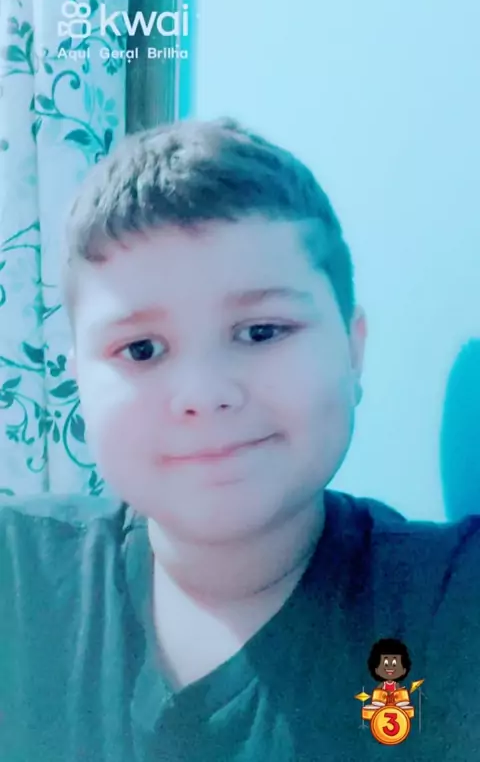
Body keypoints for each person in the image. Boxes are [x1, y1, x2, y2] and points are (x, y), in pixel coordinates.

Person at [0, 117, 478, 761]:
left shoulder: (452, 603)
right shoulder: (16, 577)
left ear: (352, 350)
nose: (203, 392)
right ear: (78, 382)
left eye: (261, 332)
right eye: (141, 349)